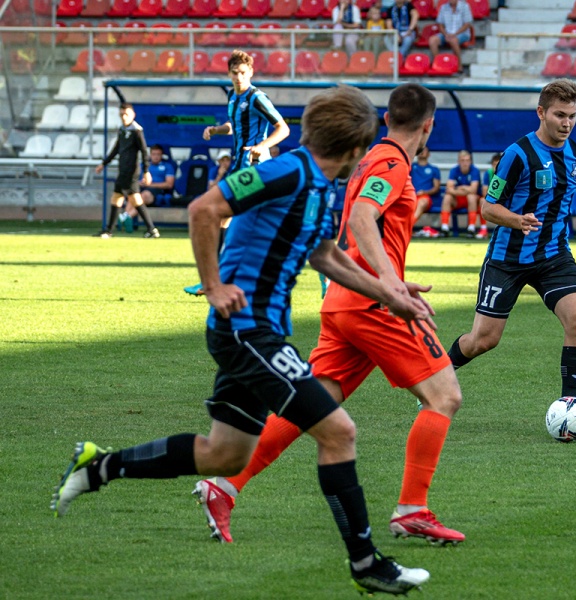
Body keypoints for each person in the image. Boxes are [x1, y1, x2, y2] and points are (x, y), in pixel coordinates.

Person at [51, 86, 431, 596]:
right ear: (358, 147)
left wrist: (390, 293)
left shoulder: (321, 187)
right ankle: (367, 564)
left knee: (224, 455)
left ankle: (99, 466)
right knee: (339, 431)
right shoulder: (287, 171)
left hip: (262, 331)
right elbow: (205, 209)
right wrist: (212, 285)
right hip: (245, 330)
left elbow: (325, 257)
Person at [192, 83, 466, 548]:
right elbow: (361, 217)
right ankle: (412, 510)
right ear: (429, 126)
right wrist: (390, 283)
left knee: (314, 403)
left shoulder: (372, 157)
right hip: (370, 303)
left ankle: (225, 485)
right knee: (445, 396)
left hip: (345, 298)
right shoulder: (392, 162)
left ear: (386, 119)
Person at [447, 79, 576, 402]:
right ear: (541, 113)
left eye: (572, 116)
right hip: (507, 259)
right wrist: (517, 220)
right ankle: (438, 373)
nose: (567, 123)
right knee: (484, 340)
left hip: (554, 256)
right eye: (560, 115)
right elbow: (487, 207)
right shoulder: (517, 154)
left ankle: (569, 406)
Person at [188, 50, 290, 296]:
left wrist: (262, 146)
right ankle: (217, 278)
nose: (239, 77)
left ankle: (219, 278)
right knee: (227, 218)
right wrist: (216, 129)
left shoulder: (257, 98)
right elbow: (235, 126)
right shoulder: (233, 96)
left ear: (251, 72)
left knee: (231, 217)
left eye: (243, 73)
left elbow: (283, 128)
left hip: (255, 166)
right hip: (239, 165)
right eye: (234, 73)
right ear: (229, 73)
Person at [93, 103, 160, 239]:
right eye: (121, 114)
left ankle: (109, 231)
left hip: (131, 171)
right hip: (123, 170)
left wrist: (146, 171)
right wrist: (104, 164)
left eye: (126, 114)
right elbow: (116, 149)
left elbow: (144, 151)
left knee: (126, 198)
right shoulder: (122, 130)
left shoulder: (137, 131)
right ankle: (150, 229)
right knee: (126, 199)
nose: (124, 117)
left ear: (133, 115)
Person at [121, 143, 174, 233]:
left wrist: (150, 185)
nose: (156, 157)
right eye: (154, 154)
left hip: (158, 191)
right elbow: (135, 179)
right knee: (133, 194)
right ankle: (126, 217)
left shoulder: (167, 166)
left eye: (158, 154)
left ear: (162, 155)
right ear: (150, 155)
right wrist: (139, 183)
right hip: (142, 188)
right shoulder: (144, 166)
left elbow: (169, 184)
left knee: (144, 195)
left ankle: (125, 217)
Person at [439, 149, 480, 237]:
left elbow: (474, 189)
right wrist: (465, 189)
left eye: (467, 160)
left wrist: (460, 188)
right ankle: (444, 228)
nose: (465, 163)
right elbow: (449, 189)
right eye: (462, 160)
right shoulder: (454, 170)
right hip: (457, 200)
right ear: (458, 161)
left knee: (471, 196)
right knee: (447, 197)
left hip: (470, 202)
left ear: (470, 161)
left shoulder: (475, 170)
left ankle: (471, 228)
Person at [428, 0, 473, 70]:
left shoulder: (465, 6)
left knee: (453, 40)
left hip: (461, 33)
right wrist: (446, 34)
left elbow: (467, 24)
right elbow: (440, 25)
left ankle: (459, 65)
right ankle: (438, 63)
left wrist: (455, 34)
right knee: (432, 40)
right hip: (447, 33)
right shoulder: (444, 7)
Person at [411, 145, 442, 238]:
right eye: (420, 150)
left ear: (429, 154)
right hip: (411, 196)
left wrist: (425, 192)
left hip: (425, 197)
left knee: (422, 202)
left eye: (424, 150)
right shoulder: (411, 167)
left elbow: (436, 188)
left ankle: (408, 226)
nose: (422, 152)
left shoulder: (434, 169)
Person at [476, 153, 501, 239]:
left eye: (498, 165)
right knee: (482, 200)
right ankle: (483, 229)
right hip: (493, 199)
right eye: (494, 165)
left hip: (504, 199)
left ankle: (504, 230)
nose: (496, 167)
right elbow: (484, 192)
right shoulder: (488, 173)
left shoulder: (507, 174)